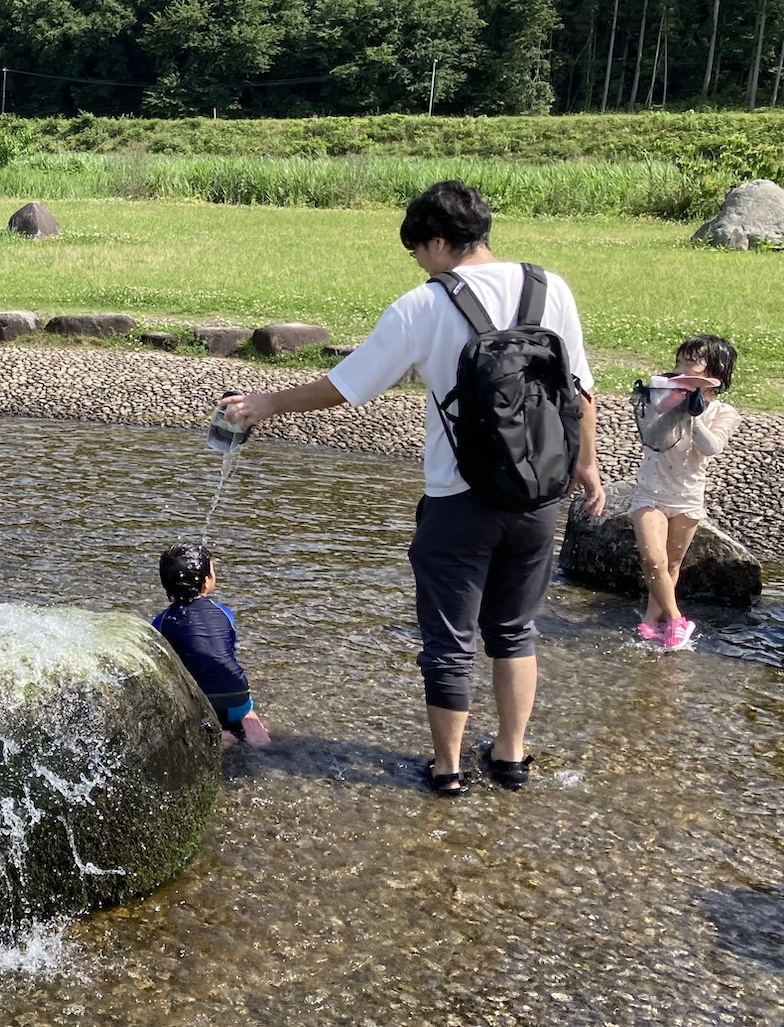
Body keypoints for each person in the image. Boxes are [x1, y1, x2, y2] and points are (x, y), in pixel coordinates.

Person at [223, 181, 604, 797]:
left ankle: (449, 768)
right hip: (538, 493)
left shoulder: (423, 305)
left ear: (437, 241)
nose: (420, 265)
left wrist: (266, 402)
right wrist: (586, 465)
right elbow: (579, 390)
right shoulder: (549, 287)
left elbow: (347, 387)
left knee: (449, 639)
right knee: (514, 630)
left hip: (459, 498)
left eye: (418, 252)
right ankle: (510, 756)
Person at [630, 335, 740, 651]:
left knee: (671, 565)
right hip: (650, 490)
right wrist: (675, 409)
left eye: (691, 363)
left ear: (714, 374)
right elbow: (652, 438)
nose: (681, 369)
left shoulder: (724, 412)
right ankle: (678, 620)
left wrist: (695, 416)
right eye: (679, 362)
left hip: (688, 496)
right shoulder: (661, 397)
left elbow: (711, 447)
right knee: (653, 559)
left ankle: (651, 623)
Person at [153, 543, 271, 749]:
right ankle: (249, 729)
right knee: (238, 698)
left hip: (203, 704)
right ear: (206, 582)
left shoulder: (162, 621)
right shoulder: (225, 613)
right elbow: (226, 652)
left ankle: (218, 736)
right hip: (238, 697)